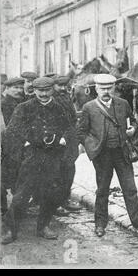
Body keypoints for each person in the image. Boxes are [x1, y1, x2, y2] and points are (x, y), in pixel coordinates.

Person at [76, 74, 138, 237]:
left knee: (130, 188)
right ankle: (100, 224)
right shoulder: (89, 107)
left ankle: (137, 220)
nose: (105, 91)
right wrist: (92, 147)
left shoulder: (123, 104)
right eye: (102, 88)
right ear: (96, 89)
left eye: (109, 88)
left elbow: (133, 120)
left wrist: (132, 128)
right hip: (102, 155)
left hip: (122, 152)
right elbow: (81, 132)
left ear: (113, 88)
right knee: (102, 190)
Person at [1, 77, 73, 244]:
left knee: (50, 193)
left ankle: (43, 226)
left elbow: (69, 128)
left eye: (47, 90)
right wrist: (25, 145)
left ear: (52, 90)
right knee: (22, 195)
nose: (43, 94)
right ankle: (10, 229)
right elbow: (12, 131)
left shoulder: (59, 108)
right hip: (32, 156)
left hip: (53, 156)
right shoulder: (24, 108)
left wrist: (63, 141)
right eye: (40, 91)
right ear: (34, 91)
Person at [52, 76, 82, 216]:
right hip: (56, 142)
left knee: (69, 171)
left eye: (65, 85)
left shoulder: (67, 97)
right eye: (60, 85)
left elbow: (73, 118)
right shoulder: (51, 100)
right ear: (53, 86)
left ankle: (65, 199)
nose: (63, 88)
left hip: (70, 140)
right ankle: (55, 204)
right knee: (56, 173)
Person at [0, 77, 26, 216]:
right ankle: (3, 209)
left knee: (18, 177)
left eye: (21, 88)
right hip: (7, 147)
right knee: (4, 179)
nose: (19, 90)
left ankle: (17, 210)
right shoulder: (4, 104)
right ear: (7, 88)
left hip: (18, 146)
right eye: (15, 88)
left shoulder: (19, 102)